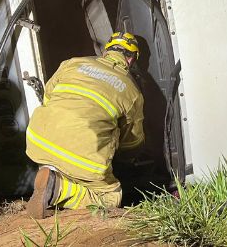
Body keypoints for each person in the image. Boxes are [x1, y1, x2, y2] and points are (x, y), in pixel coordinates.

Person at [25, 32, 145, 218]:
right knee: (111, 196)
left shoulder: (73, 63)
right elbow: (132, 141)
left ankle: (51, 178)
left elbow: (48, 97)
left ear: (106, 51)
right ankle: (60, 190)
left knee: (68, 161)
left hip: (38, 141)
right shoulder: (131, 90)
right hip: (82, 157)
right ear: (131, 60)